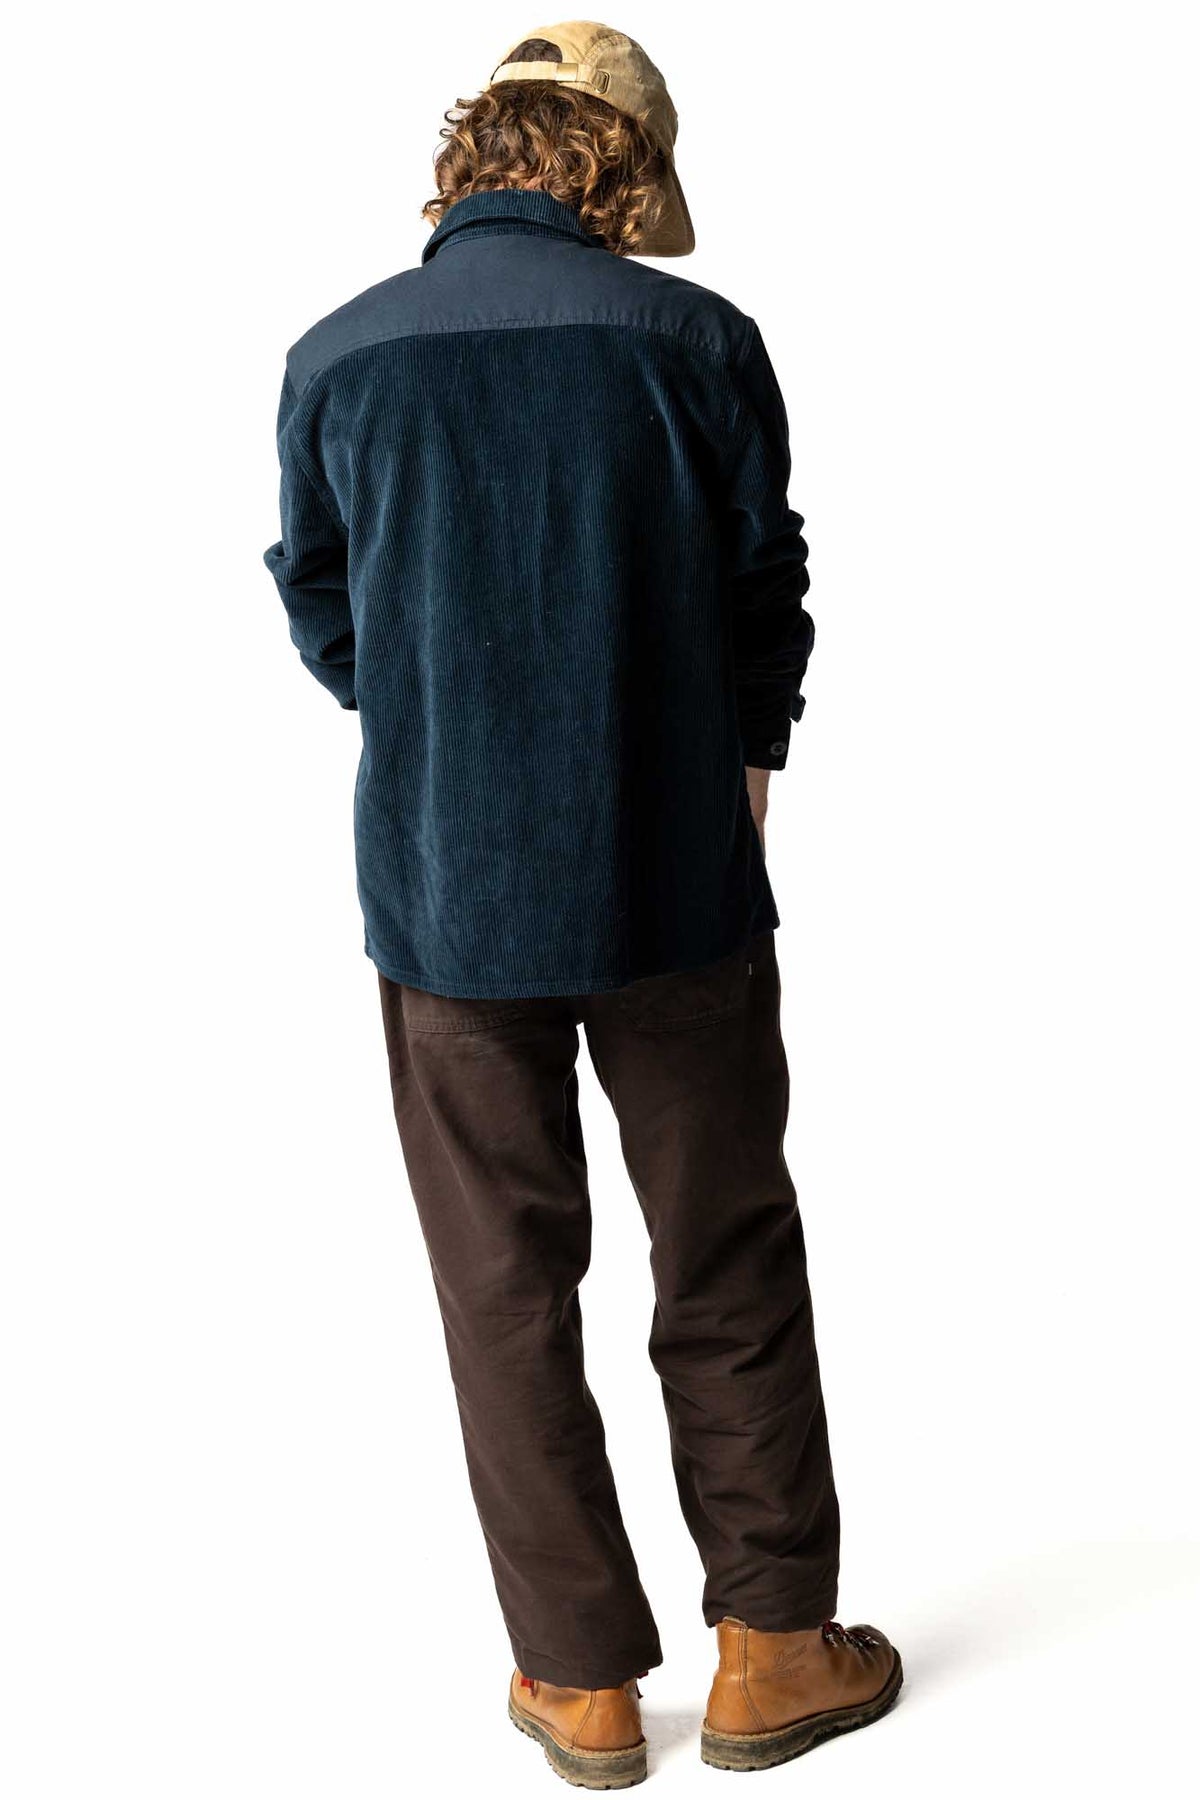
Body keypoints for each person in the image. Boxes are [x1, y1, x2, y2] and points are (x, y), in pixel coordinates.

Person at [264, 22, 900, 1787]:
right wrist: (742, 749)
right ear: (622, 172)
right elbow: (766, 585)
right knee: (726, 1249)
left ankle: (582, 1683)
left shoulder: (337, 356)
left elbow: (320, 602)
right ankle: (775, 1653)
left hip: (448, 897)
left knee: (501, 1285)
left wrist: (443, 716)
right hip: (675, 877)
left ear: (476, 154)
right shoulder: (697, 342)